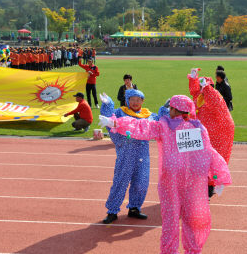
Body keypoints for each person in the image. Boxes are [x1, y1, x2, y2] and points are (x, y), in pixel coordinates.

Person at [98, 95, 231, 254]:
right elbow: (210, 152)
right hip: (193, 182)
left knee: (171, 220)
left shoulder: (165, 126)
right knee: (194, 219)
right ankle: (193, 250)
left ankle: (170, 251)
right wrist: (220, 174)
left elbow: (142, 127)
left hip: (172, 182)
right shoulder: (198, 128)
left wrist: (116, 122)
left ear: (174, 109)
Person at [99, 89, 160, 225]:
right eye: (132, 99)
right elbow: (109, 118)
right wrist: (107, 104)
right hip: (126, 153)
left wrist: (166, 109)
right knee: (120, 181)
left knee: (141, 183)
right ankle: (112, 211)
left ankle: (134, 208)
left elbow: (162, 122)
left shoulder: (149, 115)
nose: (135, 102)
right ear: (127, 100)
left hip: (142, 154)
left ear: (143, 101)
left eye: (138, 100)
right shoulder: (120, 112)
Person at [189, 68, 235, 198]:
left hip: (219, 132)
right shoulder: (200, 97)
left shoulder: (215, 96)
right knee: (202, 159)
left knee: (212, 159)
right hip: (206, 132)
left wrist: (206, 87)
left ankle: (210, 186)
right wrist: (193, 78)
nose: (200, 90)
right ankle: (204, 185)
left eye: (202, 87)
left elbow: (211, 96)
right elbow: (195, 93)